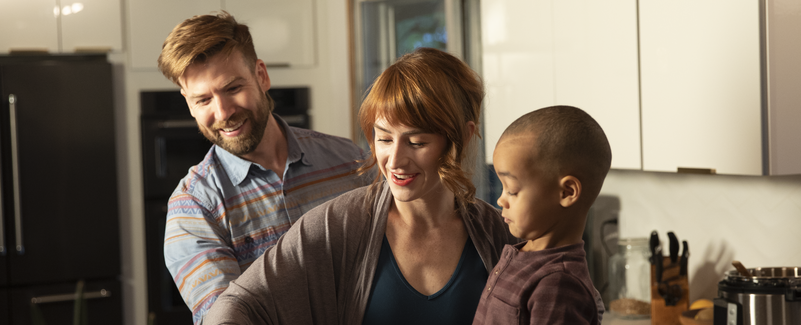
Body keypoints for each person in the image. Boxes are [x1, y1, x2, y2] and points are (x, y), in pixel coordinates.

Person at [203, 47, 520, 324]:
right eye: (383, 138)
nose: (394, 159)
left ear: (463, 137)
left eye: (417, 142)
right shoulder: (335, 226)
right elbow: (237, 304)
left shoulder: (498, 234)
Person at [157, 12, 374, 324]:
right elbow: (226, 318)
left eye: (232, 88)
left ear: (261, 75)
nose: (223, 112)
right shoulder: (192, 208)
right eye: (203, 100)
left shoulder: (349, 160)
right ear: (188, 103)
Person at [471, 105, 610, 325]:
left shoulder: (558, 284)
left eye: (512, 190)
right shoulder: (524, 256)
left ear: (566, 192)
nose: (500, 200)